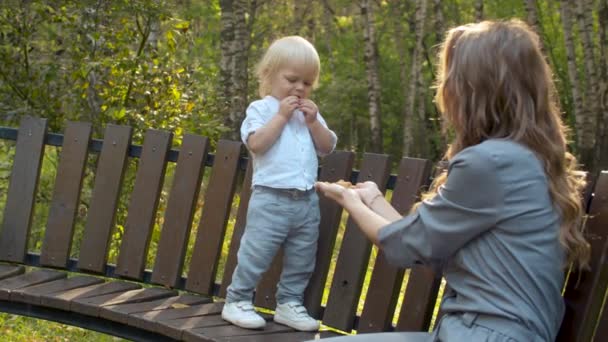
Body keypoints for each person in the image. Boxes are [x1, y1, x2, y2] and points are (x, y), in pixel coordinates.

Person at [315, 19, 589, 341]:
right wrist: (373, 198)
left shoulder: (490, 163)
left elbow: (402, 247)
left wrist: (349, 201)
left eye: (450, 78)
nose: (444, 90)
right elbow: (422, 244)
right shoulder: (526, 159)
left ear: (475, 89)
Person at [221, 35, 337, 332]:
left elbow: (327, 146)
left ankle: (289, 303)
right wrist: (282, 116)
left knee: (302, 257)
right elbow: (257, 143)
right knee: (256, 252)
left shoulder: (309, 114)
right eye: (292, 79)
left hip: (306, 202)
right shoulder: (261, 109)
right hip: (270, 200)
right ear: (269, 75)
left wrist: (313, 122)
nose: (299, 88)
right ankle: (237, 300)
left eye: (307, 83)